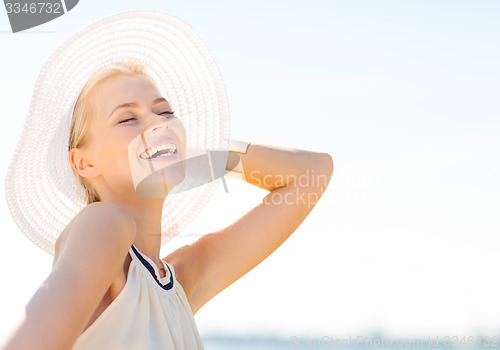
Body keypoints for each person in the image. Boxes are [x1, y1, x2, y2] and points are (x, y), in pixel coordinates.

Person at [1, 10, 333, 350]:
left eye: (164, 112)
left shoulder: (180, 282)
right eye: (127, 118)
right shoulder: (102, 223)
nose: (158, 125)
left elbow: (312, 175)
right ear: (84, 162)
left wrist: (205, 156)